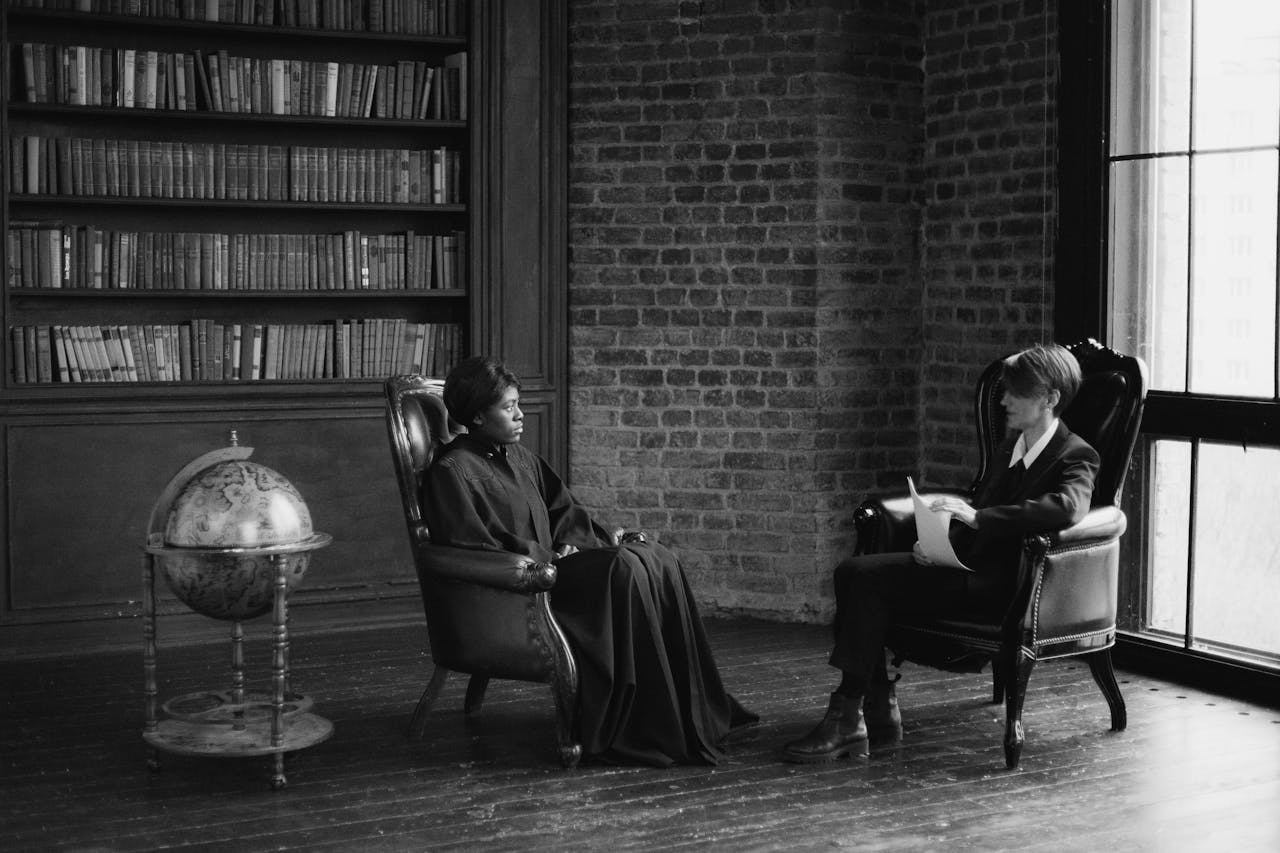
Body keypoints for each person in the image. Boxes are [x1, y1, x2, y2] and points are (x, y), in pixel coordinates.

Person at [422, 356, 757, 767]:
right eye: (508, 407)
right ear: (476, 415)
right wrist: (550, 557)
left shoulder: (519, 457)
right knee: (623, 567)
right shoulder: (453, 470)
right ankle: (642, 726)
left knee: (654, 555)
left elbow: (566, 512)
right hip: (527, 590)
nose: (521, 414)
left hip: (560, 570)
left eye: (518, 403)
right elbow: (473, 548)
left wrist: (585, 544)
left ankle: (690, 712)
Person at [782, 343, 1099, 763]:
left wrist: (979, 519)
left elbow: (1069, 507)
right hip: (964, 568)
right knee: (853, 572)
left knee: (862, 578)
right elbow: (973, 512)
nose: (1003, 401)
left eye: (1015, 393)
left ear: (1050, 399)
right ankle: (869, 708)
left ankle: (855, 715)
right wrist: (936, 544)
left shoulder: (1075, 453)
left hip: (1007, 584)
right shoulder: (1012, 448)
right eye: (1004, 391)